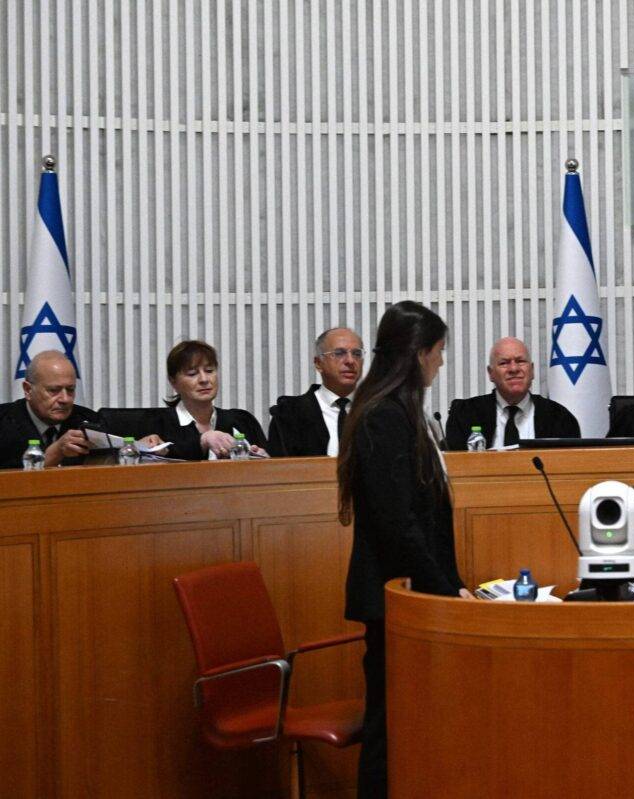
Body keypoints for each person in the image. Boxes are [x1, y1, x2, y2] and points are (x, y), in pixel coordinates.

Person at [338, 301, 471, 798]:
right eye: (438, 353)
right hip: (396, 598)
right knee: (388, 730)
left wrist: (452, 584)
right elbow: (399, 524)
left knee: (408, 727)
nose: (440, 363)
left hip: (414, 595)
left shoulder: (404, 412)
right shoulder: (381, 417)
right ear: (418, 354)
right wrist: (448, 591)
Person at [444, 337, 580, 449]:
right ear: (491, 373)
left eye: (520, 361)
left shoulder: (560, 418)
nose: (514, 368)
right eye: (504, 363)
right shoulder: (464, 415)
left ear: (532, 370)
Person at [143, 340, 268, 460]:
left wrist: (262, 457)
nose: (204, 379)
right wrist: (202, 441)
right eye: (192, 373)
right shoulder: (157, 424)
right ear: (173, 382)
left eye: (209, 371)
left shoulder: (242, 420)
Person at [267, 327, 364, 456]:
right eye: (339, 353)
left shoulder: (378, 409)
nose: (350, 361)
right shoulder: (289, 414)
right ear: (318, 363)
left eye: (357, 354)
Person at [0, 351, 106, 468]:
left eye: (70, 390)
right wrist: (55, 452)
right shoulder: (4, 421)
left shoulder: (90, 421)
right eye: (54, 390)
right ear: (28, 390)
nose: (65, 399)